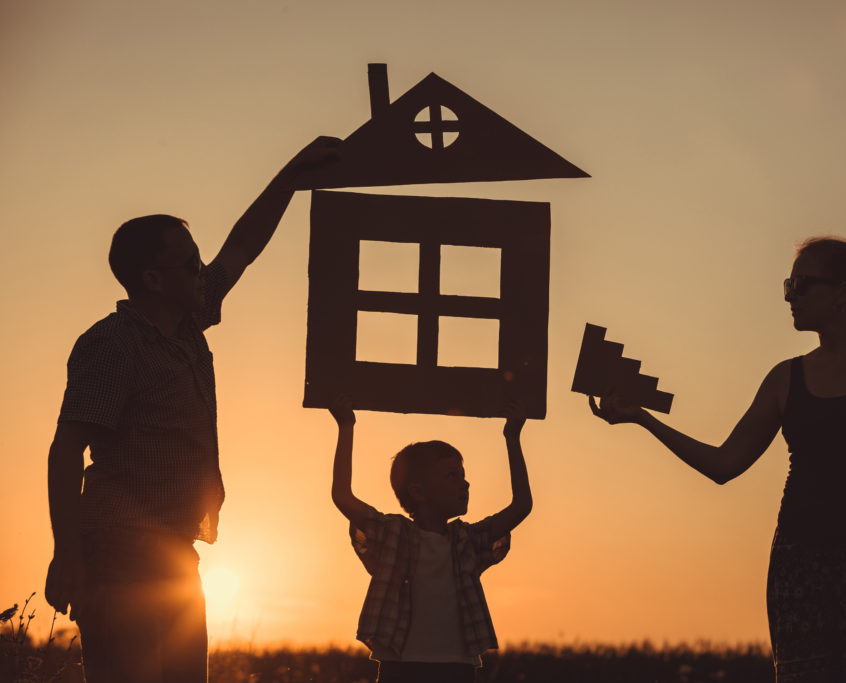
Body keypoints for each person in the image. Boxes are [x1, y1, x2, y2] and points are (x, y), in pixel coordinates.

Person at [44, 135, 343, 683]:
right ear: (153, 280)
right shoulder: (112, 346)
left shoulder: (187, 324)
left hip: (174, 551)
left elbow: (241, 249)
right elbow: (66, 452)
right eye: (190, 263)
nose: (203, 269)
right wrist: (68, 556)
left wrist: (293, 176)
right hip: (119, 553)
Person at [589, 237, 846, 682]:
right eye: (788, 285)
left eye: (801, 285)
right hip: (798, 569)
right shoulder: (785, 378)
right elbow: (725, 464)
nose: (789, 296)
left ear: (843, 292)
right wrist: (642, 419)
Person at [329, 396, 532, 683]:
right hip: (400, 665)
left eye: (463, 475)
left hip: (457, 668)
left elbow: (522, 505)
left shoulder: (466, 540)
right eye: (451, 475)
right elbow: (342, 496)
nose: (465, 483)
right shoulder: (393, 534)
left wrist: (513, 437)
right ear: (418, 492)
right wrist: (346, 426)